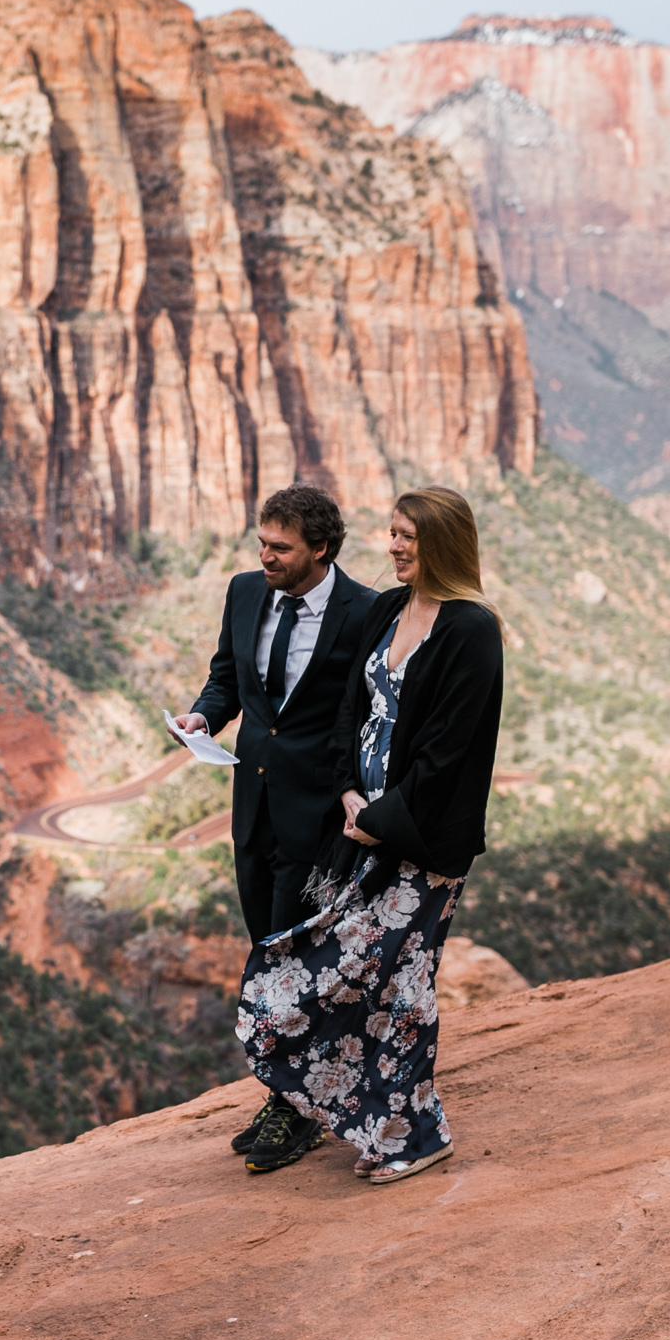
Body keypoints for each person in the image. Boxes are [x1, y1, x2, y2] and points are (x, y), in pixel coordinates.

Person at [235, 486, 505, 1181]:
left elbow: (447, 752)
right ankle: (354, 1114)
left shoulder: (470, 628)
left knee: (401, 981)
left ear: (442, 543)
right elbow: (349, 716)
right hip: (356, 828)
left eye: (406, 536)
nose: (392, 547)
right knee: (335, 971)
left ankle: (412, 1136)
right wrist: (348, 796)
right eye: (390, 533)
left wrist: (377, 821)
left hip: (419, 842)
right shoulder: (387, 609)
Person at [174, 485, 376, 1163]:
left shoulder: (364, 612)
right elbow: (227, 676)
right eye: (260, 542)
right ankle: (288, 1094)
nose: (264, 556)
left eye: (279, 548)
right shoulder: (242, 592)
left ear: (320, 549)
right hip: (250, 803)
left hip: (318, 815)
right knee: (263, 944)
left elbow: (368, 715)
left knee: (294, 959)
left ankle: (292, 1110)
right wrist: (203, 715)